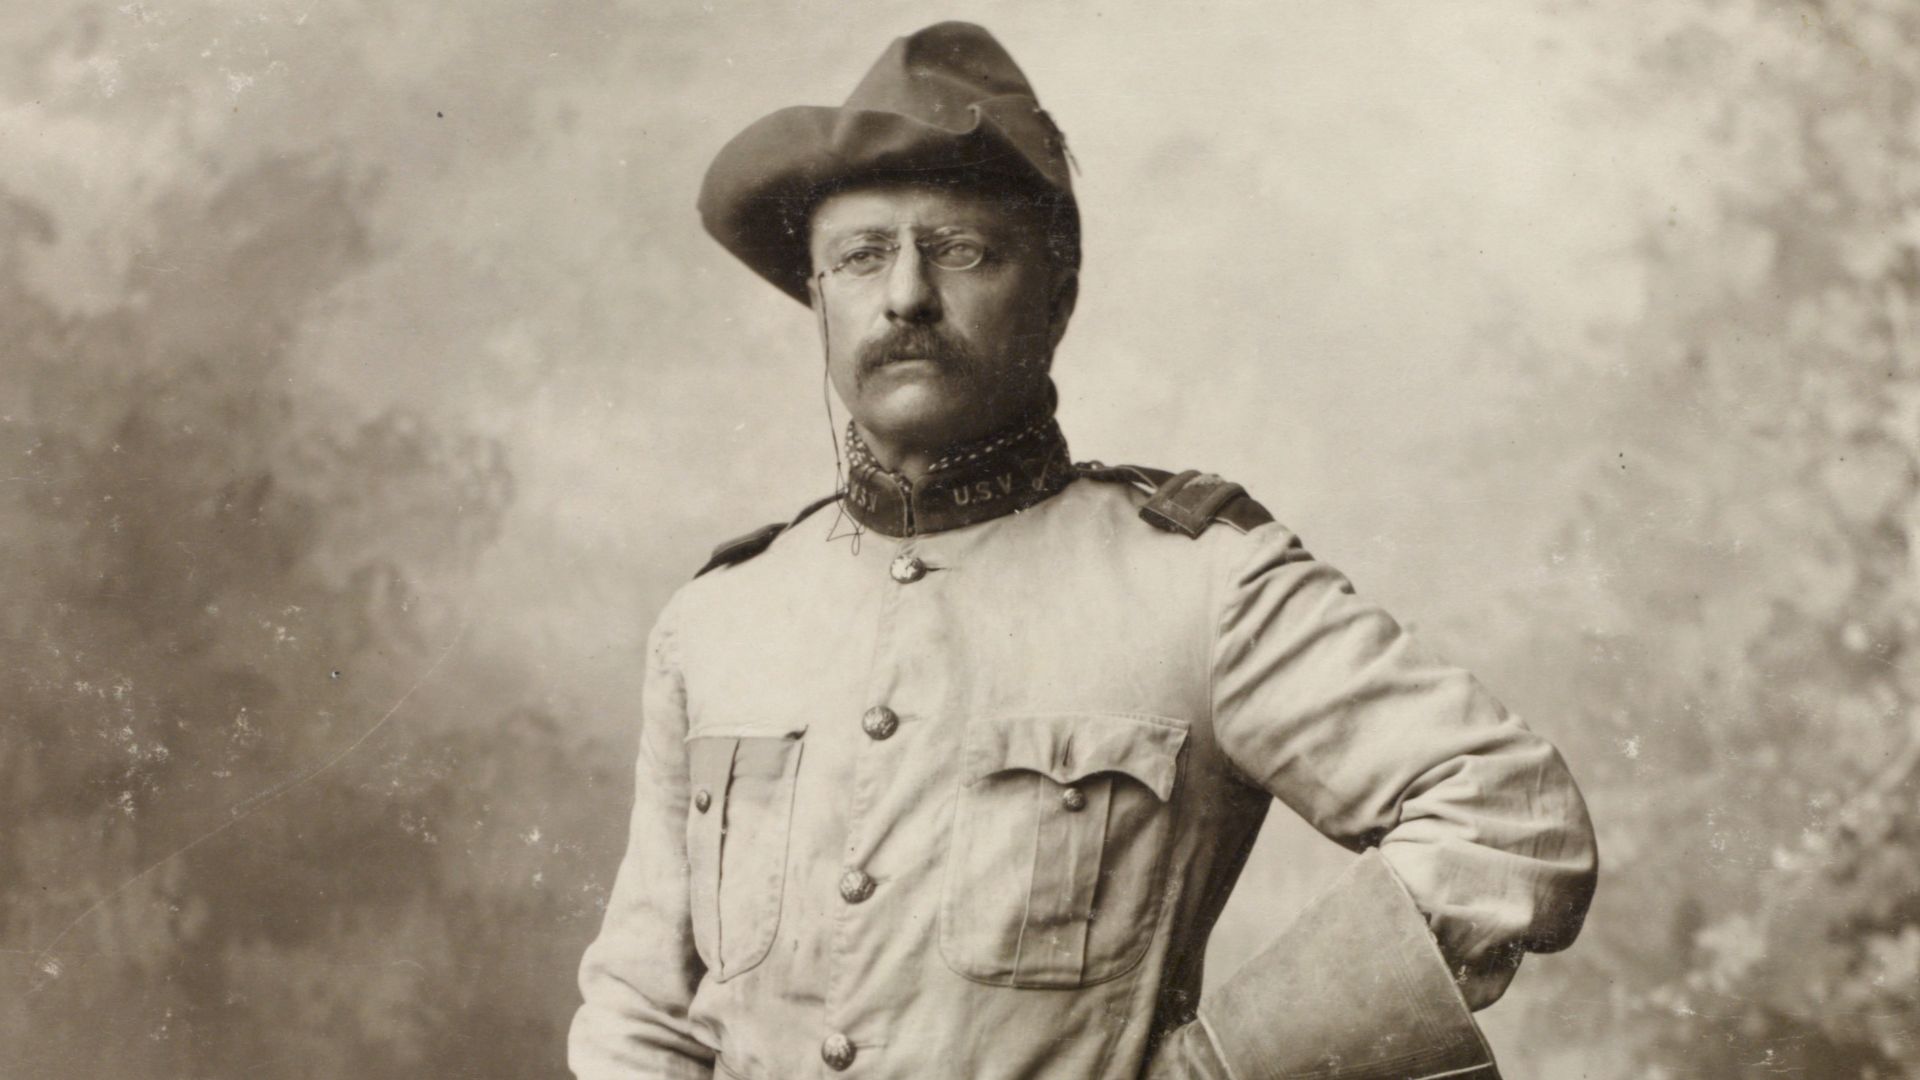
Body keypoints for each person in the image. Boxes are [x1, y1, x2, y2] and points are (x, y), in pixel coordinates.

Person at [570, 21, 1598, 1080]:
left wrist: (1221, 1070)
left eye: (962, 250)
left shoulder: (1199, 583)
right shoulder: (721, 620)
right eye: (862, 254)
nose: (907, 294)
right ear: (820, 302)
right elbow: (642, 1010)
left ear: (1056, 294)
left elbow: (1513, 820)